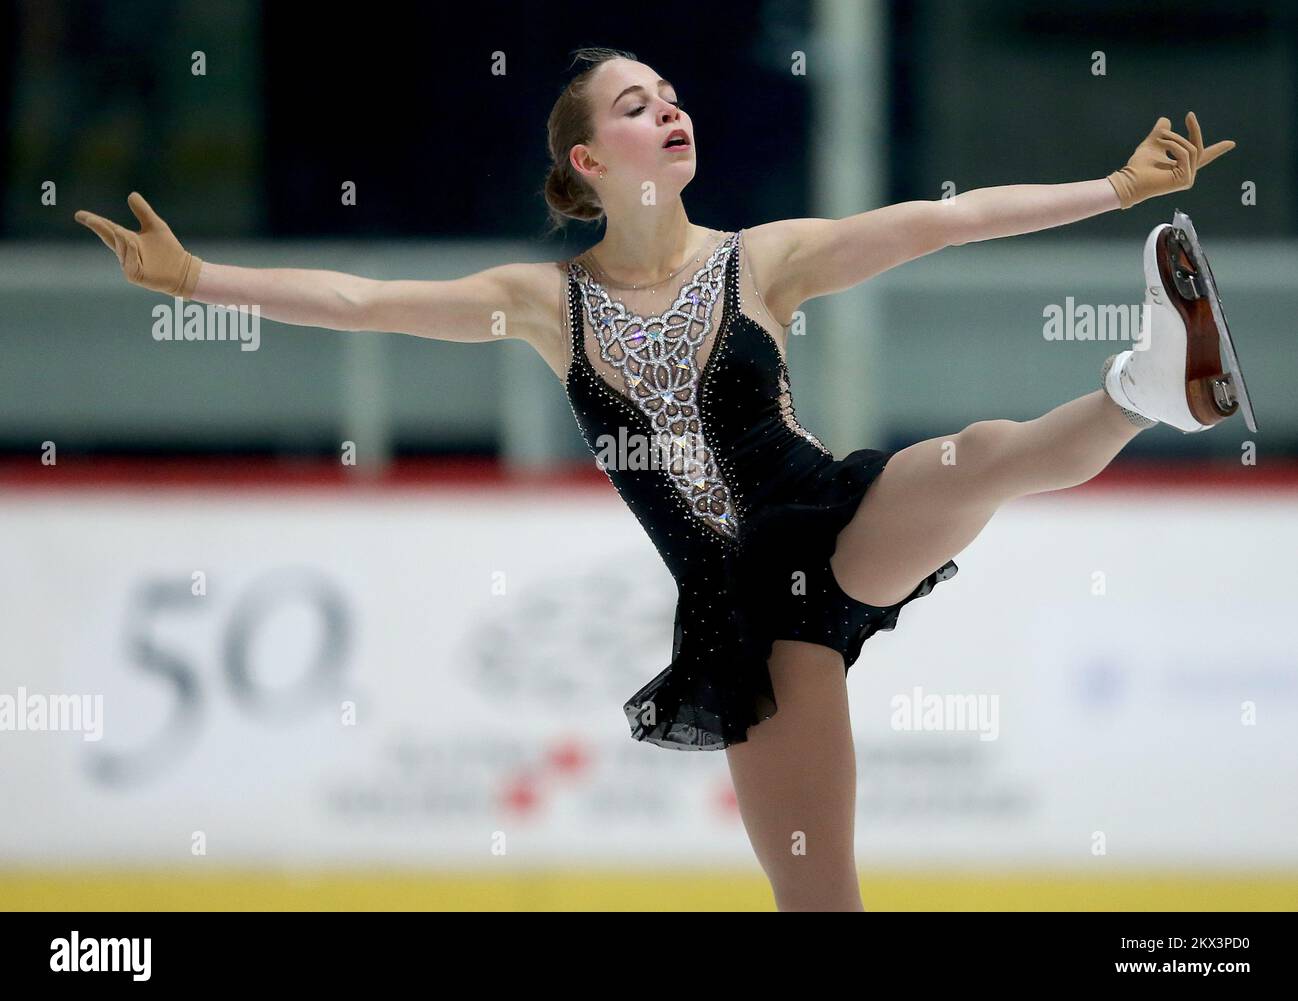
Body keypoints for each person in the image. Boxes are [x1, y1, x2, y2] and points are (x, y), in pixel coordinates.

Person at [75, 46, 1237, 911]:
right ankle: (1141, 387)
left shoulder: (760, 260)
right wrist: (197, 279)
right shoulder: (544, 304)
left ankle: (1145, 384)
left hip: (829, 522)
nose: (668, 108)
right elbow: (360, 303)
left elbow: (941, 222)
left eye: (671, 95)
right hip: (744, 623)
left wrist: (1115, 190)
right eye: (637, 105)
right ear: (588, 160)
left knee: (981, 455)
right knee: (817, 897)